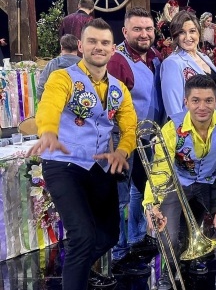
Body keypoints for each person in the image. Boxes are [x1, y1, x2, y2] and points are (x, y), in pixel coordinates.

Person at [28, 18, 137, 290]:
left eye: (104, 43)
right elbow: (50, 105)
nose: (99, 47)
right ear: (80, 45)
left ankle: (75, 270)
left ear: (113, 49)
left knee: (109, 236)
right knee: (83, 237)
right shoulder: (62, 77)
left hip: (99, 166)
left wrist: (122, 150)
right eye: (92, 41)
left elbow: (130, 127)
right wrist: (48, 131)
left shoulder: (119, 88)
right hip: (63, 165)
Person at [143, 74, 216, 290]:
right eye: (196, 100)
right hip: (177, 182)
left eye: (208, 100)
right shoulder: (171, 129)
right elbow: (159, 170)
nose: (202, 107)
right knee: (169, 235)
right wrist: (151, 204)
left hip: (212, 180)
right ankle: (168, 274)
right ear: (186, 102)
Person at [107, 6, 163, 276]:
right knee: (120, 197)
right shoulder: (117, 61)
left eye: (148, 28)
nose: (144, 34)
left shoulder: (155, 57)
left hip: (148, 138)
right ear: (125, 31)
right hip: (123, 140)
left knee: (141, 189)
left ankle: (137, 239)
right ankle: (118, 254)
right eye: (137, 29)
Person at [161, 10, 216, 119]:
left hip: (215, 124)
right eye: (182, 32)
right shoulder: (172, 63)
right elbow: (174, 111)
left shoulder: (204, 57)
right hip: (192, 127)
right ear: (175, 36)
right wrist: (182, 130)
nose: (188, 37)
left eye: (192, 31)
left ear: (199, 32)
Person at [37, 34, 81, 99]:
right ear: (78, 47)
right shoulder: (85, 65)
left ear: (62, 47)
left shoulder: (52, 64)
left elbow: (41, 87)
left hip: (54, 101)